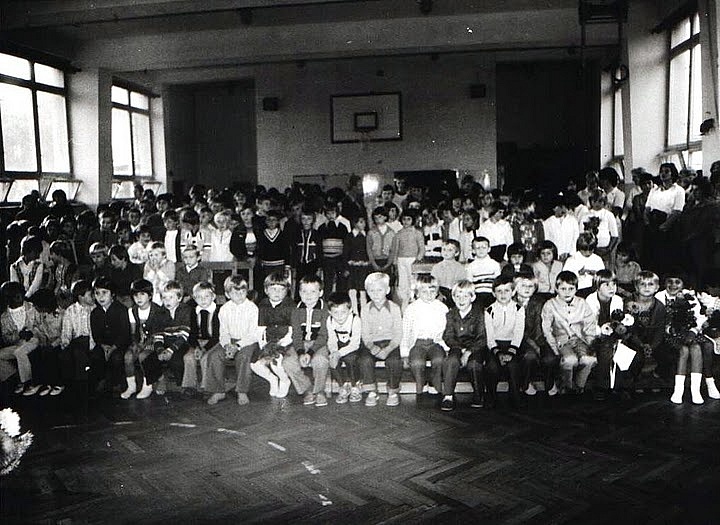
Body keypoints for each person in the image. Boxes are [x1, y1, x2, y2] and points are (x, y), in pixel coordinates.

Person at [204, 276, 259, 406]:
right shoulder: (224, 309)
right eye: (235, 293)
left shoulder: (252, 308)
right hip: (229, 341)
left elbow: (253, 334)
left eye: (243, 292)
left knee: (243, 357)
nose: (239, 296)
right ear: (228, 294)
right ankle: (218, 390)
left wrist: (237, 346)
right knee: (214, 356)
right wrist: (227, 345)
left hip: (248, 342)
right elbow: (223, 332)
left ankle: (242, 390)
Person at [541, 271, 597, 393]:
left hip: (580, 340)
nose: (567, 292)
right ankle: (566, 386)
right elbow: (547, 329)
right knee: (570, 360)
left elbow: (590, 325)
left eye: (571, 289)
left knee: (589, 359)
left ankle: (579, 386)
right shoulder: (550, 305)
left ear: (576, 289)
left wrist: (591, 344)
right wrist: (554, 348)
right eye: (563, 289)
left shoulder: (582, 303)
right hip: (561, 341)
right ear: (556, 289)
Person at [357, 272, 403, 407]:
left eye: (379, 290)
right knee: (365, 360)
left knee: (394, 361)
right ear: (367, 292)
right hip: (372, 343)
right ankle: (372, 391)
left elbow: (398, 333)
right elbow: (365, 334)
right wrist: (373, 348)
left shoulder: (394, 308)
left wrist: (388, 349)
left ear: (387, 290)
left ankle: (393, 391)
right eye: (372, 291)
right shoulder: (365, 309)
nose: (375, 294)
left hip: (390, 343)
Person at [121, 279, 172, 400]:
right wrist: (135, 343)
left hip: (157, 342)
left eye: (142, 294)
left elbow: (157, 333)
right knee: (128, 356)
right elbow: (133, 331)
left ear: (150, 295)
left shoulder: (158, 311)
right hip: (140, 342)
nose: (138, 298)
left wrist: (143, 346)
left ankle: (147, 385)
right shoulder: (132, 310)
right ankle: (131, 386)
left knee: (143, 356)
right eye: (135, 295)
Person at [441, 280, 488, 410]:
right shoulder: (451, 314)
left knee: (474, 364)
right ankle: (448, 396)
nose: (461, 300)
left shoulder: (479, 314)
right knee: (451, 361)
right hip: (457, 346)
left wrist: (468, 352)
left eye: (465, 296)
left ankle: (478, 395)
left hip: (475, 347)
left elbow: (482, 338)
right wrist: (460, 349)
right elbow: (448, 336)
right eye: (458, 296)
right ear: (453, 298)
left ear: (472, 297)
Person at [285, 274, 330, 407]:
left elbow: (323, 335)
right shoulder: (296, 310)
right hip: (301, 344)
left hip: (319, 344)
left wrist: (310, 353)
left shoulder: (325, 310)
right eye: (304, 291)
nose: (308, 295)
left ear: (320, 293)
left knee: (320, 361)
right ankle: (307, 389)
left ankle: (319, 391)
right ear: (299, 293)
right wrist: (300, 353)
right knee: (288, 362)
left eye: (313, 291)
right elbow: (296, 335)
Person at [400, 274, 448, 397]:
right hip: (417, 343)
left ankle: (434, 383)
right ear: (417, 293)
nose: (428, 295)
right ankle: (421, 384)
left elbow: (446, 330)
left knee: (438, 360)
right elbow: (406, 331)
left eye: (432, 291)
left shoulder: (442, 308)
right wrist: (404, 353)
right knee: (417, 362)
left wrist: (446, 347)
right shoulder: (411, 309)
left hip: (435, 342)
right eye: (424, 291)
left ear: (437, 292)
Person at [484, 275, 526, 407]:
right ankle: (491, 396)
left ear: (513, 292)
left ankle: (515, 396)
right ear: (493, 293)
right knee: (492, 367)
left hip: (512, 345)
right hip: (495, 345)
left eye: (507, 290)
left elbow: (519, 332)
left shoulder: (519, 309)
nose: (503, 294)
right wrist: (498, 353)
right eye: (499, 291)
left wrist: (511, 352)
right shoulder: (489, 310)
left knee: (513, 366)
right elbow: (489, 336)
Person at [251, 273, 294, 398]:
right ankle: (272, 380)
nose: (277, 292)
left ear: (287, 291)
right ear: (266, 290)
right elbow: (260, 328)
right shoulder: (263, 305)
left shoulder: (290, 306)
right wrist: (263, 346)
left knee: (276, 361)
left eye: (281, 289)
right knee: (255, 364)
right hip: (268, 341)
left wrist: (281, 344)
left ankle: (284, 380)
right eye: (273, 289)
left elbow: (292, 331)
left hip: (285, 341)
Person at [514, 274, 559, 396]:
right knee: (530, 356)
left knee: (550, 358)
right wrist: (533, 346)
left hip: (538, 337)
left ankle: (549, 383)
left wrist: (541, 345)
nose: (527, 289)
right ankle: (525, 383)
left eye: (531, 286)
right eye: (523, 286)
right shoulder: (511, 302)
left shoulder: (539, 302)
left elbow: (541, 325)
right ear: (516, 287)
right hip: (518, 340)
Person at [586, 270, 625, 401]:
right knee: (606, 349)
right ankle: (601, 386)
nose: (611, 288)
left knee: (622, 349)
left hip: (612, 334)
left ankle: (618, 385)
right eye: (606, 285)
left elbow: (618, 321)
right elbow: (589, 325)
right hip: (594, 335)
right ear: (597, 286)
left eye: (614, 284)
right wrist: (601, 330)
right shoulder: (590, 300)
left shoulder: (618, 300)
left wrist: (615, 328)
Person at [89, 277, 131, 394]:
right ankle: (102, 380)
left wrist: (113, 347)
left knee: (116, 358)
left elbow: (125, 333)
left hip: (119, 344)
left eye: (104, 292)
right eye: (97, 293)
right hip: (103, 344)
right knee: (96, 356)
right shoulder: (95, 313)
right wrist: (103, 346)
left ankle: (117, 382)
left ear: (112, 294)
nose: (100, 297)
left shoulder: (121, 310)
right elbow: (96, 334)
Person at [0, 282, 40, 394]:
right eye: (16, 296)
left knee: (19, 352)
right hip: (17, 344)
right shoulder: (4, 317)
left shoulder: (32, 307)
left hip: (33, 340)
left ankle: (28, 383)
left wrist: (31, 332)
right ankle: (15, 376)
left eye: (22, 294)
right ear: (8, 299)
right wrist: (18, 335)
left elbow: (41, 325)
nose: (21, 298)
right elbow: (6, 338)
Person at [182, 281, 220, 396]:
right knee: (188, 357)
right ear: (194, 298)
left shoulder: (217, 311)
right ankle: (190, 385)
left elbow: (217, 335)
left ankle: (206, 386)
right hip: (197, 342)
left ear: (213, 297)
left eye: (206, 296)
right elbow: (192, 333)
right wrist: (197, 347)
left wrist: (204, 349)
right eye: (199, 297)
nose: (203, 300)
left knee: (205, 358)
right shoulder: (194, 312)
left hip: (214, 342)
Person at [326, 292, 363, 404]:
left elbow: (355, 344)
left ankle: (355, 385)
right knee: (332, 360)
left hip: (353, 347)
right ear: (330, 312)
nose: (339, 316)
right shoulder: (330, 320)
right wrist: (334, 352)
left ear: (350, 310)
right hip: (339, 346)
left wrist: (339, 353)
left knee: (350, 359)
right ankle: (342, 386)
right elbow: (332, 340)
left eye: (343, 312)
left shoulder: (355, 320)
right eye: (335, 313)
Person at [60, 280, 95, 383]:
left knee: (79, 354)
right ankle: (69, 384)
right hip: (76, 341)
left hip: (91, 340)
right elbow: (66, 330)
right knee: (65, 355)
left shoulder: (94, 309)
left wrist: (91, 346)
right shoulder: (70, 311)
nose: (94, 297)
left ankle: (83, 383)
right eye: (90, 295)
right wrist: (65, 343)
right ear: (81, 297)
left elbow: (94, 331)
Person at [392, 211, 425, 310]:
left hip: (413, 260)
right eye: (404, 219)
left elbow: (422, 248)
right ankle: (404, 304)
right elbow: (395, 249)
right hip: (401, 260)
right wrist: (395, 262)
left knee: (413, 281)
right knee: (402, 282)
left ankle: (414, 301)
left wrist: (418, 259)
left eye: (408, 219)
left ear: (413, 220)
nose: (406, 221)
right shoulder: (398, 234)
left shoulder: (417, 233)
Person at [317, 202, 349, 294]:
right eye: (328, 213)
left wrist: (344, 261)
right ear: (325, 214)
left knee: (341, 280)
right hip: (327, 259)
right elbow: (319, 246)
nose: (330, 216)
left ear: (337, 214)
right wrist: (321, 260)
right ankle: (327, 298)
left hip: (339, 258)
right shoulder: (322, 228)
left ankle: (340, 298)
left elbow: (345, 245)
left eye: (333, 213)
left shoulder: (342, 227)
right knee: (328, 280)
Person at [562, 232, 604, 296]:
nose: (588, 253)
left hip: (594, 290)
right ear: (580, 248)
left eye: (590, 250)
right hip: (578, 290)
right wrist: (578, 273)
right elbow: (565, 278)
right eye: (584, 250)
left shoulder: (597, 259)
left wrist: (596, 274)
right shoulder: (572, 260)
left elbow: (604, 276)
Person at [344, 215, 371, 315]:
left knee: (363, 288)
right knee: (352, 288)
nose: (363, 224)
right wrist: (346, 267)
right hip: (352, 266)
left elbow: (369, 251)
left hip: (364, 266)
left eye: (364, 222)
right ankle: (354, 311)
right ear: (354, 223)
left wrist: (368, 262)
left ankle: (364, 311)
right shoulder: (349, 236)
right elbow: (345, 253)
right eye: (360, 222)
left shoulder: (367, 235)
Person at [465, 236, 501, 306]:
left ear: (489, 249)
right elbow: (469, 283)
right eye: (478, 248)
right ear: (473, 250)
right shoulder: (471, 266)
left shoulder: (494, 264)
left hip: (491, 294)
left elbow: (498, 282)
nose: (481, 250)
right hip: (477, 294)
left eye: (484, 247)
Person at [542, 197, 579, 262]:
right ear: (554, 209)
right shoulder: (547, 223)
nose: (563, 209)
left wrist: (570, 254)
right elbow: (547, 241)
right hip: (555, 258)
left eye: (564, 207)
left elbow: (575, 239)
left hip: (570, 257)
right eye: (560, 207)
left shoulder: (573, 221)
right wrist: (555, 255)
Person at [367, 206, 395, 277]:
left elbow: (393, 250)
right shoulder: (371, 233)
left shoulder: (391, 233)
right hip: (375, 261)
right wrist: (374, 264)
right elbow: (369, 249)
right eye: (375, 218)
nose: (377, 220)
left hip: (387, 260)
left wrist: (388, 264)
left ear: (385, 217)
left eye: (380, 217)